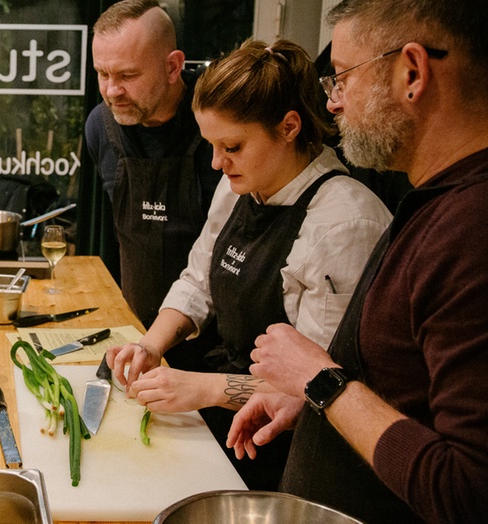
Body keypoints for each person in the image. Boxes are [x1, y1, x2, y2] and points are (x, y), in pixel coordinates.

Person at [227, 1, 488, 522]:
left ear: (412, 72)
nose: (334, 104)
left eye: (343, 77)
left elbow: (469, 491)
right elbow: (408, 398)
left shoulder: (472, 227)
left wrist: (322, 382)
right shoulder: (433, 200)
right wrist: (316, 404)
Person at [106, 39, 392, 490]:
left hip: (289, 455)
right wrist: (151, 345)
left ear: (290, 127)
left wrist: (203, 388)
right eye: (212, 146)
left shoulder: (344, 224)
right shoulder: (240, 183)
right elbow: (197, 281)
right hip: (228, 424)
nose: (218, 163)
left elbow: (318, 388)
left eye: (233, 146)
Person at [85, 0, 222, 369]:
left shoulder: (218, 125)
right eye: (102, 74)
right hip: (135, 341)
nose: (112, 91)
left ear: (173, 66)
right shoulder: (101, 126)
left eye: (127, 76)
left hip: (214, 346)